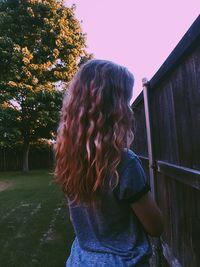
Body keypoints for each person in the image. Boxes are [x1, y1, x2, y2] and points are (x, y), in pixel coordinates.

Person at [54, 59, 164, 267]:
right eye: (125, 101)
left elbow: (80, 224)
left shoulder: (66, 157)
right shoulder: (123, 162)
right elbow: (155, 227)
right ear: (114, 108)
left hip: (80, 261)